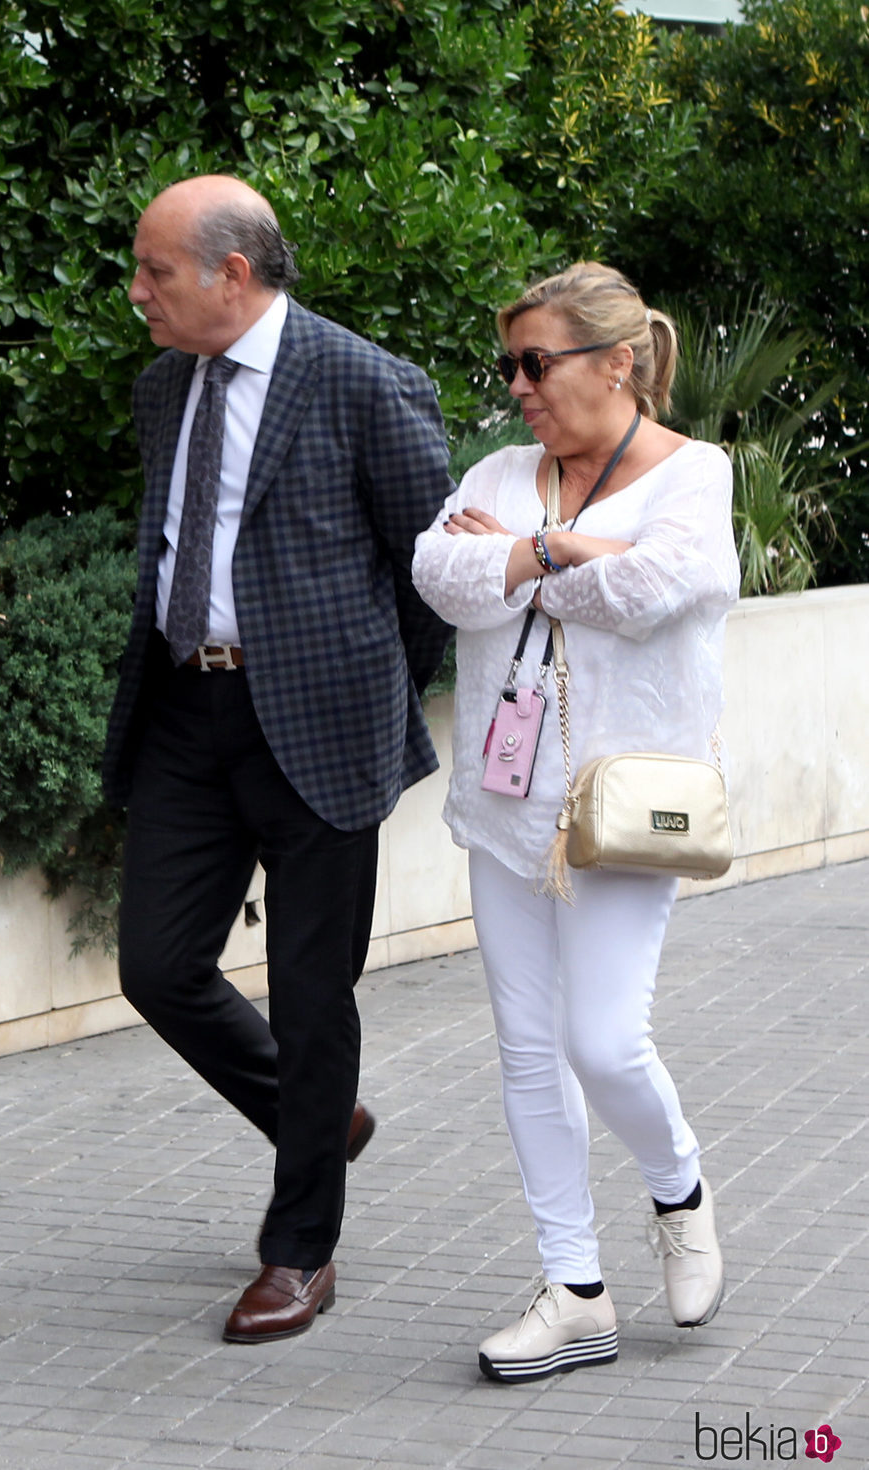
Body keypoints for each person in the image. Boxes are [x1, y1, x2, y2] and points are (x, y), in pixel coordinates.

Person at [103, 175, 451, 1344]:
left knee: (311, 997)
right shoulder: (164, 387)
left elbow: (431, 574)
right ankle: (317, 1117)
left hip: (318, 727)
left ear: (231, 275)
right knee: (156, 965)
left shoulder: (360, 381)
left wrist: (360, 689)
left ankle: (300, 1247)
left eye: (156, 271)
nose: (138, 291)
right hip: (186, 719)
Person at [412, 262, 739, 1383]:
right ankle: (575, 1290)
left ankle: (677, 1185)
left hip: (624, 807)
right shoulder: (504, 470)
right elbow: (438, 575)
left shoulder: (695, 475)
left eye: (535, 363)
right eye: (508, 365)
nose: (516, 387)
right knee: (526, 1050)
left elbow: (659, 592)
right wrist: (559, 554)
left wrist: (526, 554)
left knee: (600, 1042)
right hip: (507, 807)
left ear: (617, 363)